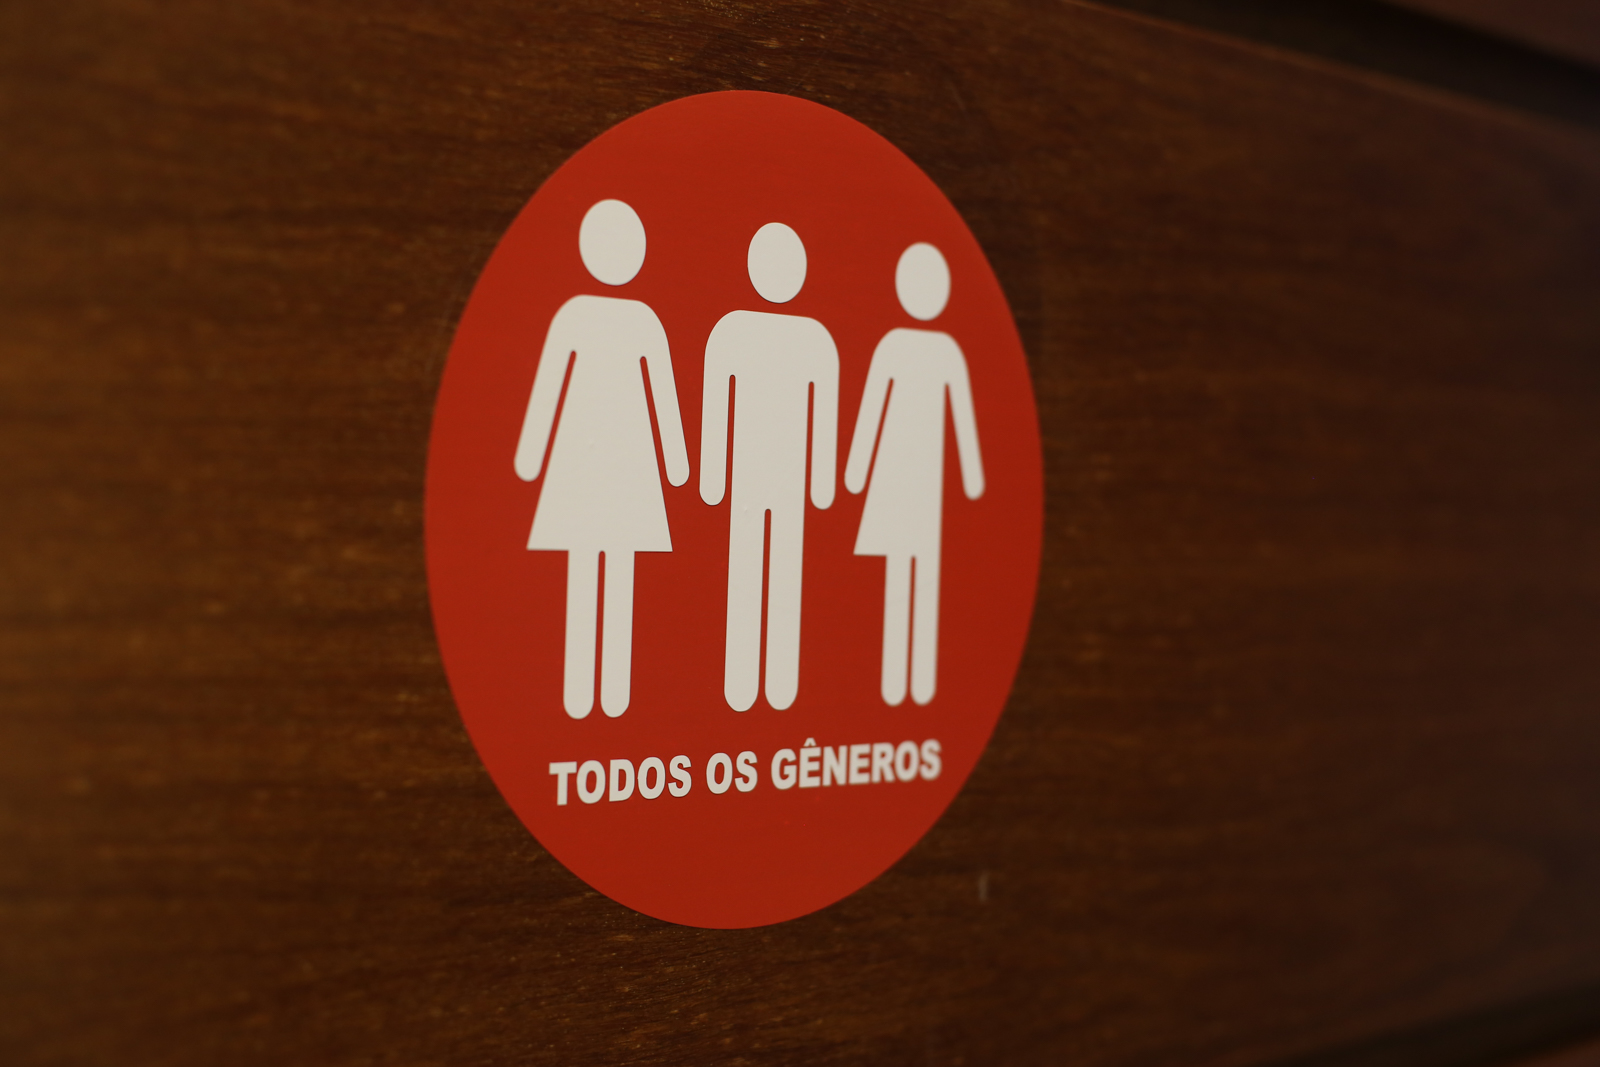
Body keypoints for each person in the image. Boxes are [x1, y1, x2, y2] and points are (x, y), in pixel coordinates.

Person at [514, 199, 690, 719]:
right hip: (589, 463)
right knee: (596, 567)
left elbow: (661, 396)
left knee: (611, 567)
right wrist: (677, 466)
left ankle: (606, 690)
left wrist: (676, 463)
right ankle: (588, 691)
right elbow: (551, 387)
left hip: (624, 465)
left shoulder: (630, 320)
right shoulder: (593, 317)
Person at [701, 222, 839, 712]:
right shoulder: (732, 331)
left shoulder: (815, 340)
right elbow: (716, 408)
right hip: (750, 478)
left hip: (786, 480)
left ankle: (777, 681)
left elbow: (825, 415)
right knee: (750, 566)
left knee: (781, 571)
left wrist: (821, 482)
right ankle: (742, 681)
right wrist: (713, 478)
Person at [844, 242, 984, 706]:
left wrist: (971, 475)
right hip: (898, 479)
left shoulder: (935, 351)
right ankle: (897, 681)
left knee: (920, 573)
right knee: (904, 570)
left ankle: (912, 684)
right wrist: (856, 471)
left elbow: (961, 417)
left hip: (921, 485)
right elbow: (873, 410)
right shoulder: (899, 347)